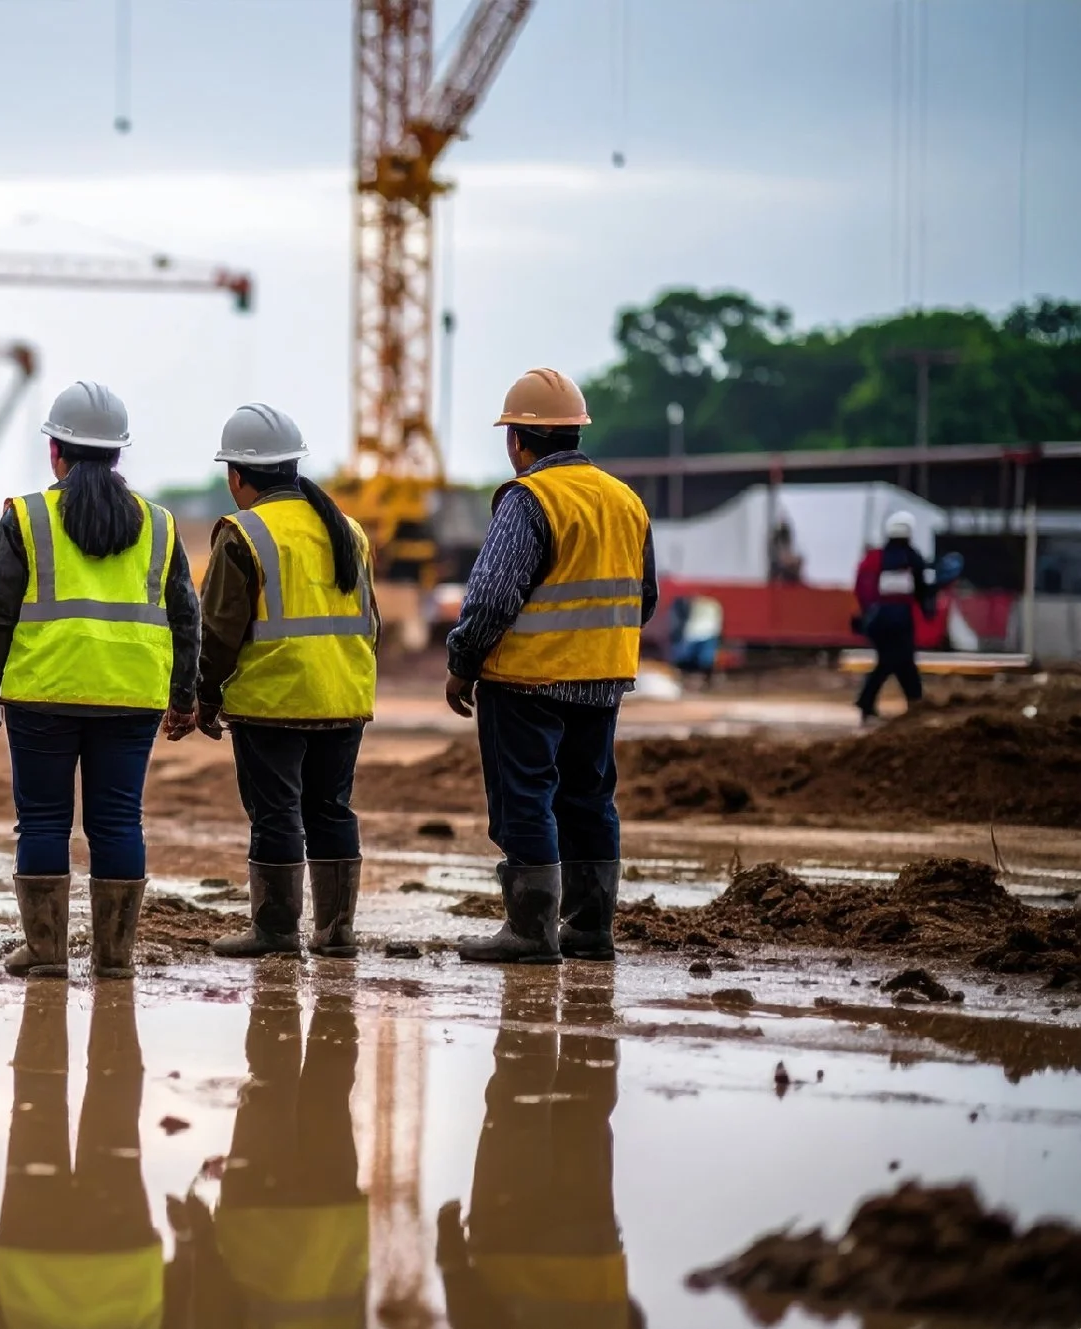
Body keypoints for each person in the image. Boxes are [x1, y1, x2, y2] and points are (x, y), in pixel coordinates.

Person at [0, 381, 200, 980]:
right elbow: (185, 614)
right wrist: (183, 696)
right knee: (119, 821)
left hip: (43, 691)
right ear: (119, 454)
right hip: (131, 694)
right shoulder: (160, 523)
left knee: (43, 821)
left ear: (56, 452)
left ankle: (46, 954)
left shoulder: (27, 516)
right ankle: (114, 958)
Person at [443, 369, 656, 967]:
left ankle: (532, 930)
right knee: (590, 797)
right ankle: (590, 927)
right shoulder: (625, 500)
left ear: (518, 439)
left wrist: (463, 662)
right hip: (604, 677)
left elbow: (490, 596)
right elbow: (646, 596)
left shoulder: (530, 499)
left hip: (527, 680)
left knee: (525, 797)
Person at [191, 404, 379, 961]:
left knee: (277, 815)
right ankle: (336, 933)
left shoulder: (244, 533)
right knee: (331, 809)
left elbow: (219, 631)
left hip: (272, 700)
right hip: (343, 695)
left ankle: (275, 931)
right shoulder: (347, 529)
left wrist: (203, 695)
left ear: (238, 475)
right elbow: (372, 621)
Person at [166, 964, 369, 1327]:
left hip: (335, 1220)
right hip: (259, 1217)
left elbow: (358, 1300)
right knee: (271, 1088)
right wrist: (196, 1221)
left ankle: (320, 987)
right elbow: (213, 1294)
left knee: (328, 1092)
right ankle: (283, 978)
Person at [436, 967, 637, 1329]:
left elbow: (634, 1321)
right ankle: (555, 972)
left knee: (584, 1111)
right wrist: (452, 1265)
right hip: (512, 1241)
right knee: (520, 1107)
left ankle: (586, 989)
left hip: (591, 1249)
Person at [0, 981, 170, 1329]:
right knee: (37, 1105)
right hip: (32, 1256)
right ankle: (104, 963)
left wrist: (189, 1246)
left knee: (114, 1113)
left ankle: (70, 960)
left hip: (124, 1262)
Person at [852, 511, 936, 723]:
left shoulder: (875, 557)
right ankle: (911, 703)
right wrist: (928, 609)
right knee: (898, 661)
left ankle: (911, 702)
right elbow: (922, 589)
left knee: (896, 662)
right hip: (900, 622)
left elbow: (861, 589)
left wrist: (867, 613)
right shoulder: (911, 558)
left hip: (877, 622)